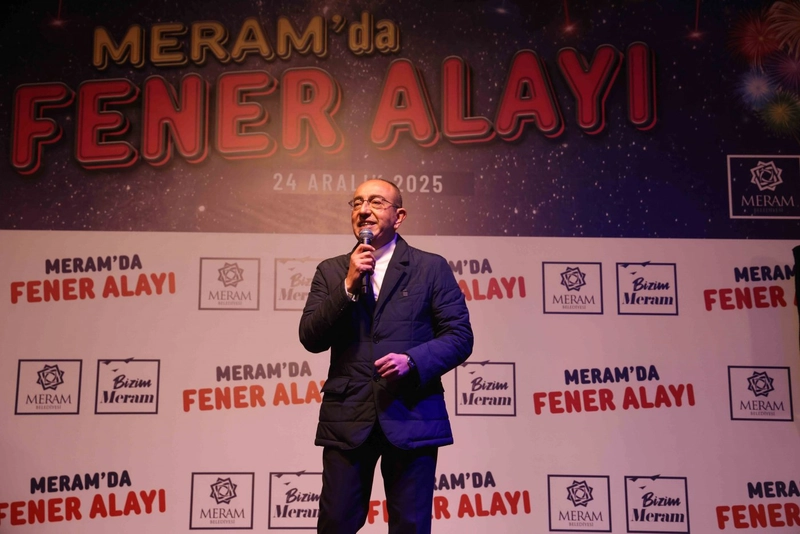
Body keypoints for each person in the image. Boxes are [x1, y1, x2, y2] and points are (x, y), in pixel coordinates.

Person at [299, 179, 473, 534]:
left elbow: (459, 337)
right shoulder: (332, 271)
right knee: (335, 523)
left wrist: (412, 361)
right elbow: (311, 338)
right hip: (348, 416)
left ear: (399, 216)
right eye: (357, 203)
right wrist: (347, 286)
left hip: (412, 412)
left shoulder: (430, 268)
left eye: (377, 202)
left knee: (411, 526)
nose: (364, 210)